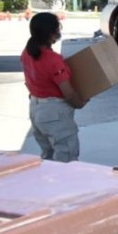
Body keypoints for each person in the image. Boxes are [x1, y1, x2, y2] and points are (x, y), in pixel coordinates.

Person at [21, 12, 87, 162]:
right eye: (58, 28)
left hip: (36, 109)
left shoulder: (27, 53)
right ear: (51, 34)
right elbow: (68, 93)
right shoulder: (53, 60)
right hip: (54, 114)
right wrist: (80, 103)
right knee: (66, 159)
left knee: (48, 157)